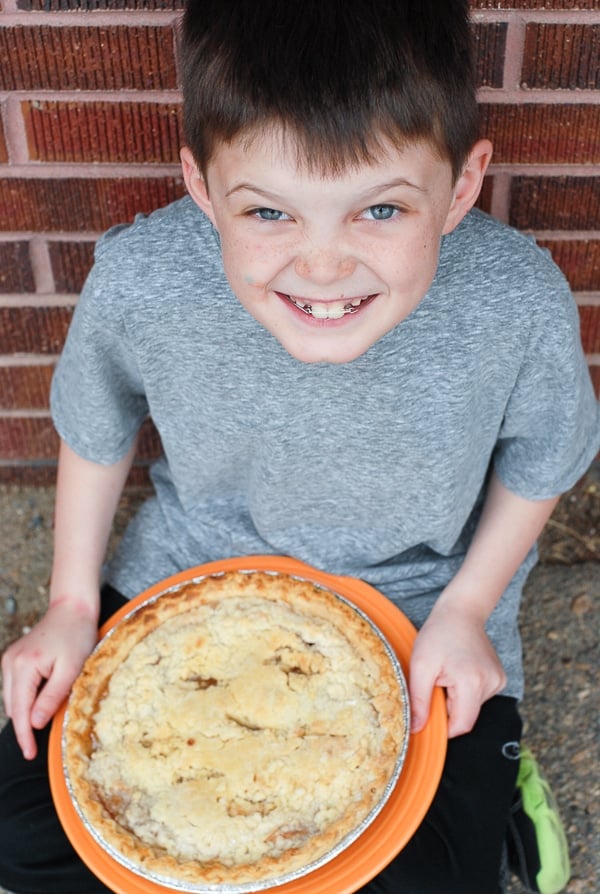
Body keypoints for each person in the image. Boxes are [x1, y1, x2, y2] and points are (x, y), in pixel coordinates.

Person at [1, 1, 598, 892]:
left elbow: (543, 459)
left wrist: (469, 608)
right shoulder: (144, 277)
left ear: (463, 186)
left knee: (435, 877)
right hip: (185, 582)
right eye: (272, 213)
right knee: (20, 839)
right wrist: (71, 606)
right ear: (203, 186)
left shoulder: (513, 299)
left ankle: (501, 792)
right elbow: (97, 427)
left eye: (382, 209)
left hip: (424, 609)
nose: (324, 266)